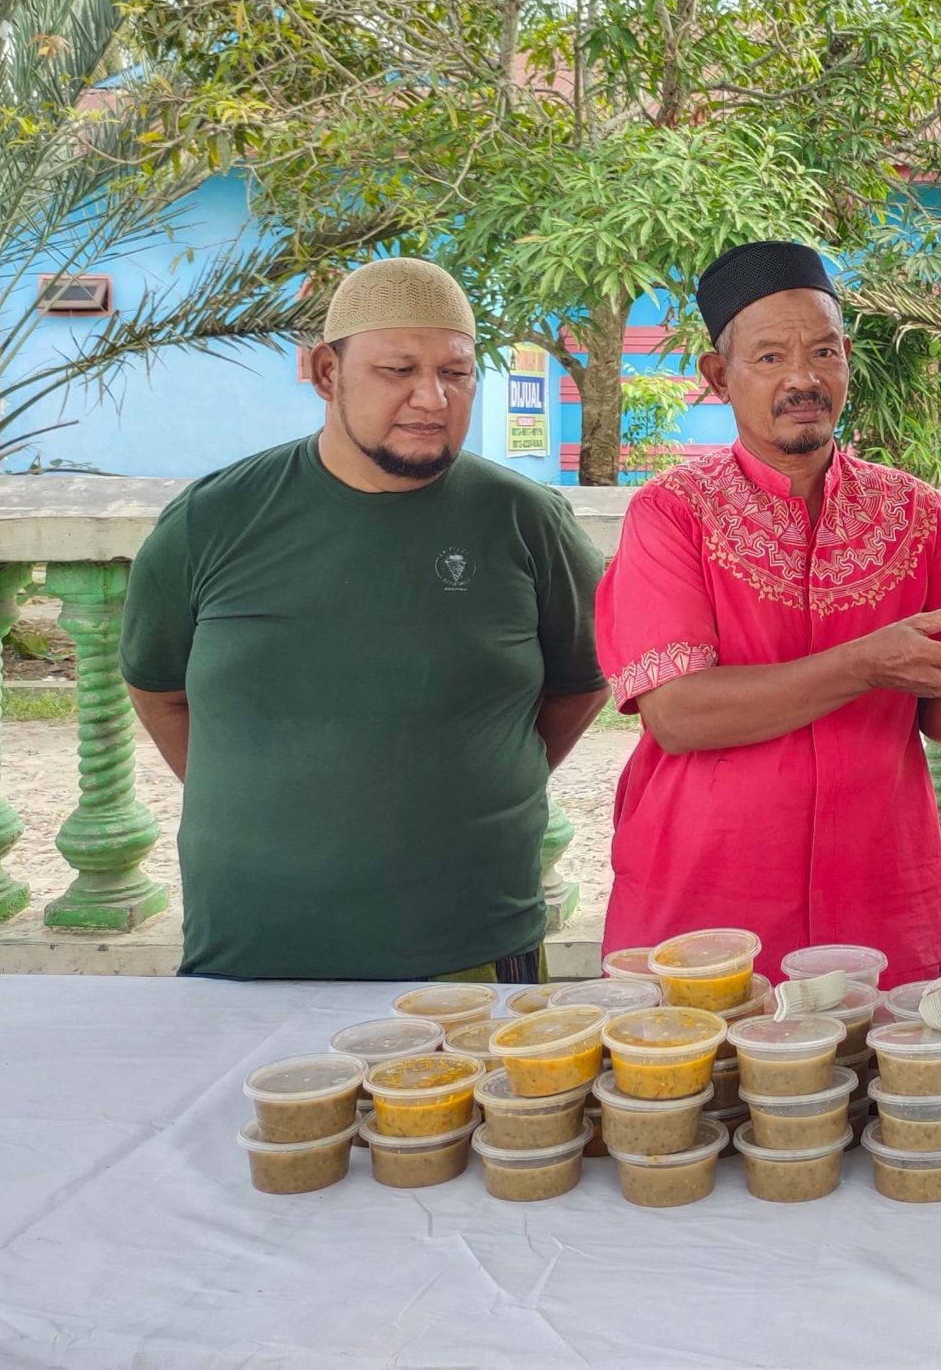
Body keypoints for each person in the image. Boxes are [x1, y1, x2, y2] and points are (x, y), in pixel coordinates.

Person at [121, 257, 607, 982]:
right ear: (327, 373)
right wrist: (270, 807)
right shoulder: (212, 520)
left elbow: (583, 682)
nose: (431, 398)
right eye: (397, 370)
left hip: (470, 945)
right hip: (250, 948)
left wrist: (477, 781)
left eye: (456, 373)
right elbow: (158, 689)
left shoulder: (525, 520)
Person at [592, 241, 941, 985]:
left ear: (846, 360)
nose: (803, 378)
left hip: (878, 890)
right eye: (770, 357)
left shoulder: (914, 511)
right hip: (708, 898)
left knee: (890, 1060)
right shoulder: (671, 512)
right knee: (699, 1061)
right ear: (717, 375)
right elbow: (680, 713)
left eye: (824, 351)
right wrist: (863, 664)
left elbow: (938, 709)